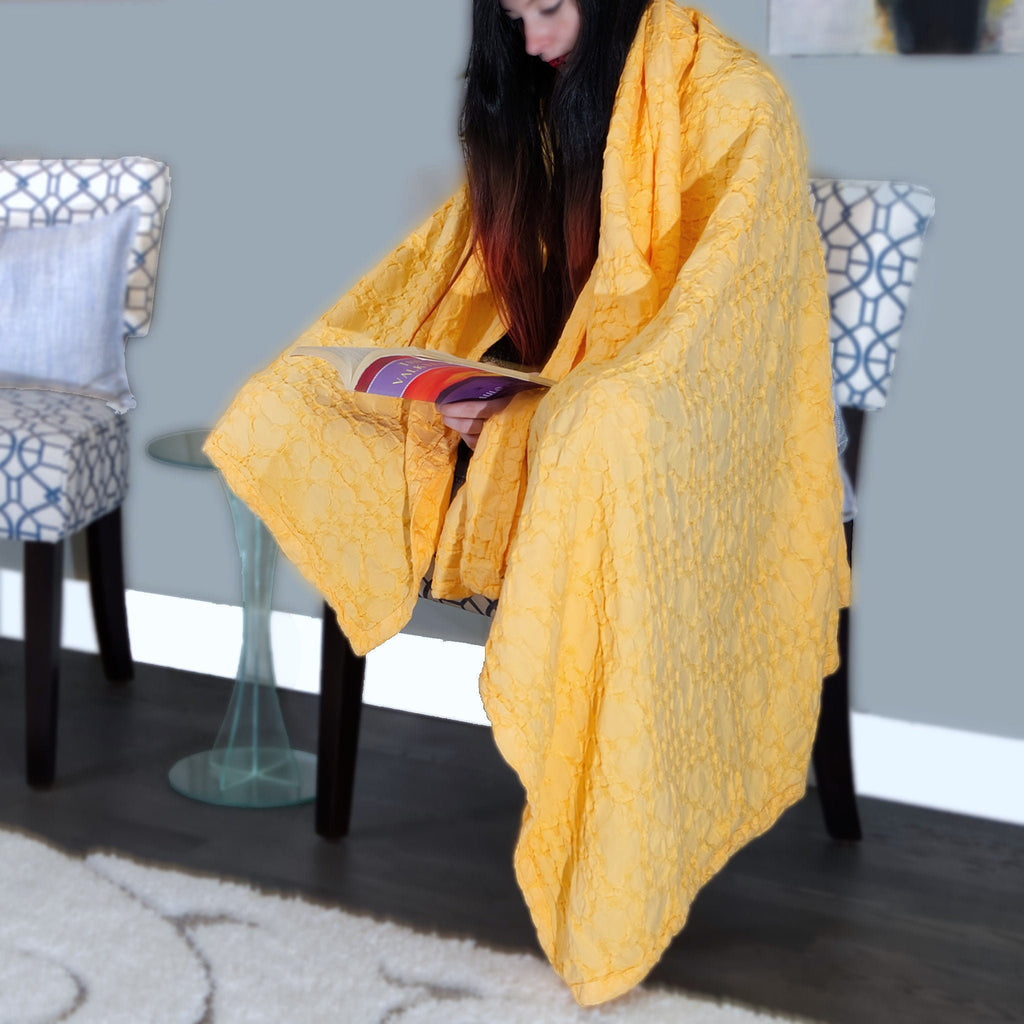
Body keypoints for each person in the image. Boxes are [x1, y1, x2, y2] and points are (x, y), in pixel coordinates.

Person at [205, 0, 849, 1006]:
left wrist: (537, 416)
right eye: (513, 17)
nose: (534, 41)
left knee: (598, 432)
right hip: (559, 398)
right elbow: (489, 283)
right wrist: (481, 385)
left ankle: (614, 855)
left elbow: (731, 333)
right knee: (300, 394)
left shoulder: (738, 100)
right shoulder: (545, 101)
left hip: (697, 424)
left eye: (550, 10)